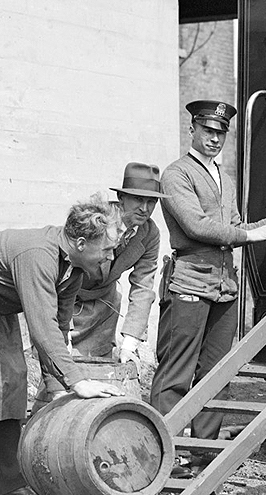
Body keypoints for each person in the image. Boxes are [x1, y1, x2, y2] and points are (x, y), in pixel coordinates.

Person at [0, 199, 125, 495]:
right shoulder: (38, 255)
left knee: (10, 381)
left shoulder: (75, 270)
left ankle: (9, 484)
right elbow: (41, 327)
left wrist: (56, 385)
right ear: (82, 243)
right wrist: (78, 381)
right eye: (107, 248)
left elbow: (58, 325)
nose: (111, 256)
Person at [150, 99, 266, 475]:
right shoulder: (177, 174)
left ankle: (203, 452)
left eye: (220, 133)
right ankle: (164, 451)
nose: (214, 139)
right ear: (192, 130)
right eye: (208, 131)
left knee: (217, 373)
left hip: (226, 285)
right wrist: (251, 234)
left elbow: (236, 223)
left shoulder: (224, 179)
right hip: (190, 281)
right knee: (177, 370)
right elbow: (197, 227)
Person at [35, 163, 168, 407]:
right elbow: (70, 262)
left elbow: (143, 286)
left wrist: (130, 344)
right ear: (121, 197)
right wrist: (62, 330)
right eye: (138, 199)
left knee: (100, 373)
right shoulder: (98, 220)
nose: (145, 208)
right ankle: (45, 422)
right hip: (68, 299)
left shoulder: (149, 233)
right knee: (60, 371)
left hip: (105, 306)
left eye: (152, 202)